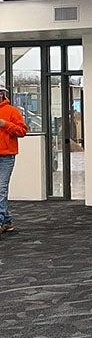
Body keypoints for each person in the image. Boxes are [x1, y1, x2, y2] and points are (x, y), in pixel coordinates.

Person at [0, 87, 29, 234]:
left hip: (6, 156)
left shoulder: (12, 111)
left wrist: (5, 124)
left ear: (2, 94)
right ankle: (7, 221)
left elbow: (23, 131)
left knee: (1, 189)